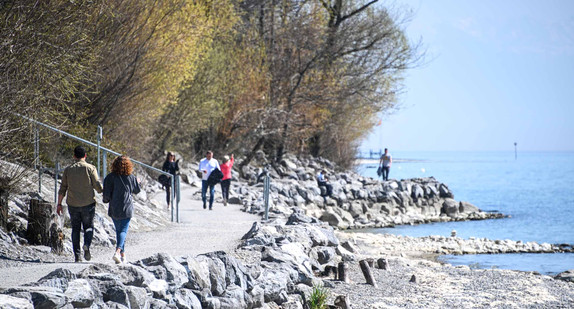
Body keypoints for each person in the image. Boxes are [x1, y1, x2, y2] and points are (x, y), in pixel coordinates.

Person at [57, 146, 103, 262]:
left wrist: (59, 204)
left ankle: (77, 256)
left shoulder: (68, 170)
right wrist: (103, 191)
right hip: (88, 203)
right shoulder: (90, 168)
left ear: (74, 156)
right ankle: (86, 244)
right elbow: (97, 185)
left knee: (75, 229)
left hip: (73, 204)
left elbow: (63, 188)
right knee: (88, 227)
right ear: (85, 156)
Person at [102, 155, 141, 264]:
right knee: (123, 231)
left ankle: (122, 256)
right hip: (127, 207)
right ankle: (118, 252)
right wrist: (137, 181)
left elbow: (106, 196)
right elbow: (137, 191)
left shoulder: (109, 177)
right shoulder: (131, 177)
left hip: (114, 207)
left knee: (119, 231)